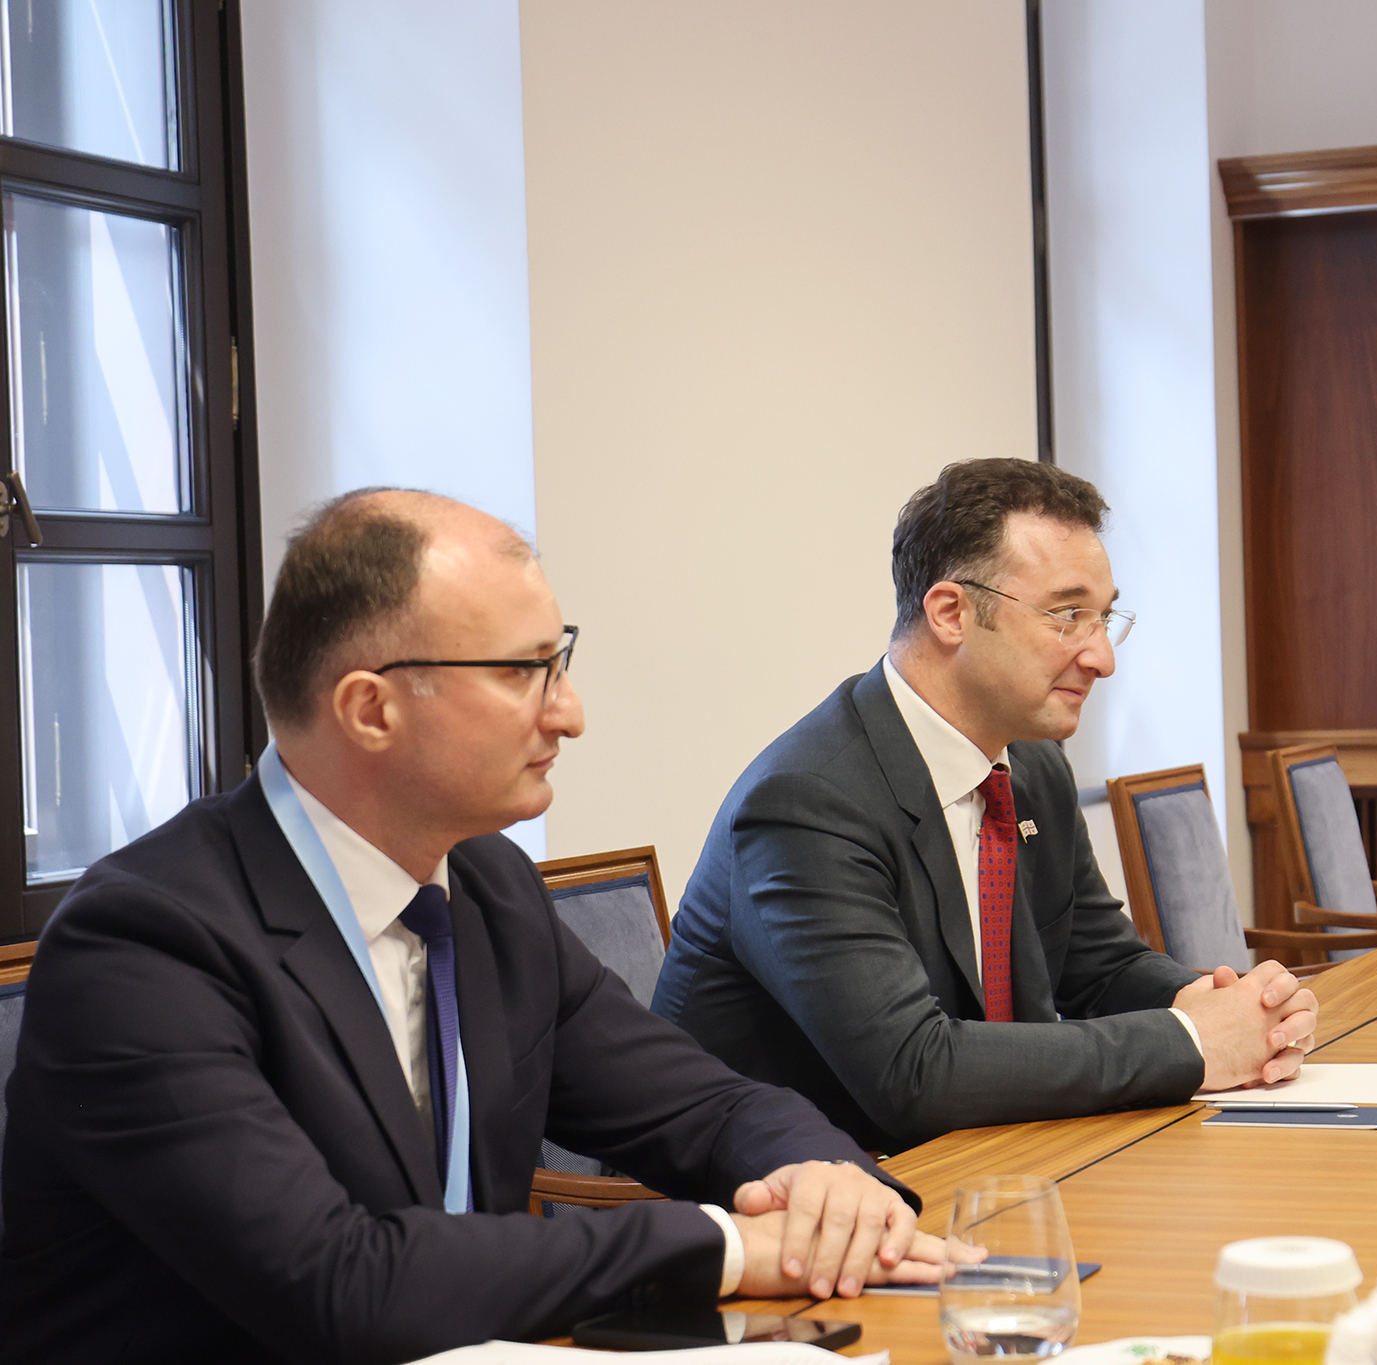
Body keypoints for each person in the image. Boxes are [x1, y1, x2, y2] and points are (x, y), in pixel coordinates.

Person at [0, 490, 944, 1363]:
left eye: (559, 660)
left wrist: (826, 1179)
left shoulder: (489, 886)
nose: (569, 713)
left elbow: (706, 1105)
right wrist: (725, 1243)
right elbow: (340, 1282)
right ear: (370, 708)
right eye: (524, 671)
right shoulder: (143, 944)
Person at [650, 459, 1318, 1153]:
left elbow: (1100, 967)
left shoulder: (1031, 765)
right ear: (951, 614)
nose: (1102, 658)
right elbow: (914, 1074)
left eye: (1104, 618)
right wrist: (1193, 1042)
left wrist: (1237, 1009)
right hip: (774, 1191)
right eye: (1068, 616)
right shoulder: (807, 804)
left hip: (974, 1158)